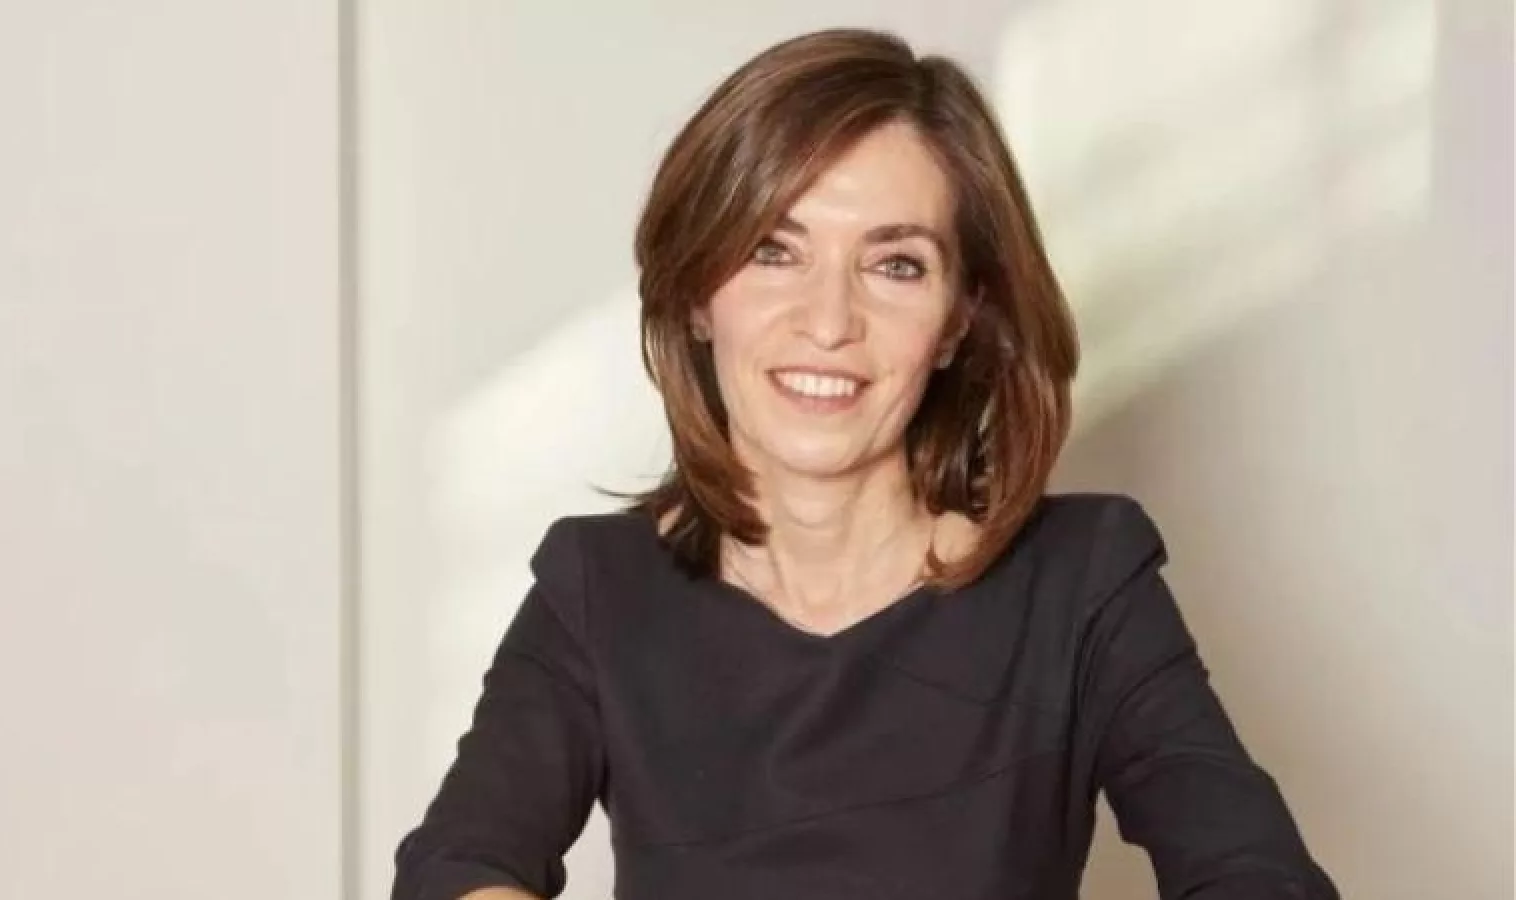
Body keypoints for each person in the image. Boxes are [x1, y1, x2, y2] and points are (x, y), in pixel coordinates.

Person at [392, 27, 1339, 900]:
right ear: (696, 295)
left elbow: (1257, 877)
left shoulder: (1084, 582)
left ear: (960, 318)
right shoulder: (600, 588)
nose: (830, 321)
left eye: (895, 265)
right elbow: (456, 867)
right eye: (774, 251)